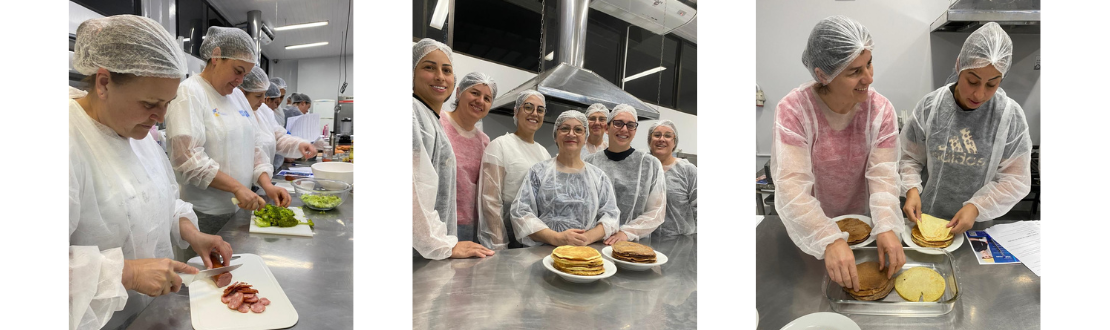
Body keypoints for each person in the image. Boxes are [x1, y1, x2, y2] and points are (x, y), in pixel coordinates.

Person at [68, 15, 233, 330]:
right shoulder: (66, 140)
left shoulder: (137, 134)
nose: (160, 117)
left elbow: (164, 201)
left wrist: (192, 233)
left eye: (168, 103)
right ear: (103, 83)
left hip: (146, 315)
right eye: (149, 103)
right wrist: (125, 273)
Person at [770, 16, 905, 291]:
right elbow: (791, 186)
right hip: (813, 233)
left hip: (868, 229)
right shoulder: (794, 111)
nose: (869, 77)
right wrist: (828, 238)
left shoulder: (880, 110)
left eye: (869, 63)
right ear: (823, 75)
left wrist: (887, 224)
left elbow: (883, 175)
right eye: (854, 72)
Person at [900, 22, 1032, 235]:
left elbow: (1015, 180)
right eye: (972, 81)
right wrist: (911, 189)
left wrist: (976, 207)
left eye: (991, 85)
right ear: (959, 66)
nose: (979, 94)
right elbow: (909, 158)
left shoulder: (1009, 116)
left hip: (974, 227)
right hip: (924, 217)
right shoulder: (930, 107)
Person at [164, 26, 279, 234]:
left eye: (245, 74)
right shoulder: (189, 93)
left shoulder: (237, 97)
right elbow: (187, 160)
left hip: (239, 209)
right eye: (238, 71)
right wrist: (236, 187)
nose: (240, 80)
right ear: (216, 57)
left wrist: (266, 184)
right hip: (205, 213)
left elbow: (255, 145)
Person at [412, 38, 495, 260]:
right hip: (423, 241)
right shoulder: (414, 115)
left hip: (442, 233)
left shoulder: (429, 118)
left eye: (446, 70)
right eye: (429, 67)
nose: (440, 76)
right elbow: (411, 190)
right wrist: (441, 244)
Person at [511, 110, 620, 246]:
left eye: (578, 130)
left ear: (585, 137)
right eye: (565, 128)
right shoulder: (538, 172)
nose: (571, 134)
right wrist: (556, 238)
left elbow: (611, 216)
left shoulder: (598, 177)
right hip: (543, 252)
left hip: (586, 253)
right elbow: (520, 213)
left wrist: (587, 238)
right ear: (556, 136)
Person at [476, 90, 553, 250]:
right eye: (528, 107)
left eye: (540, 110)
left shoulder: (544, 153)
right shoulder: (500, 145)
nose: (534, 113)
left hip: (535, 236)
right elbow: (490, 201)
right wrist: (498, 243)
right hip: (506, 233)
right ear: (516, 111)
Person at [583, 104, 666, 245]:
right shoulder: (590, 162)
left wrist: (627, 232)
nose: (624, 129)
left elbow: (656, 212)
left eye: (631, 125)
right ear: (607, 128)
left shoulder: (649, 164)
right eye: (618, 123)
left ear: (635, 130)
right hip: (593, 241)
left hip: (633, 244)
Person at [442, 72, 497, 243]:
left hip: (469, 225)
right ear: (458, 92)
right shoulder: (438, 122)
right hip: (436, 221)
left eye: (487, 98)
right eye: (475, 93)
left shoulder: (484, 141)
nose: (480, 101)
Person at [239, 67, 316, 178]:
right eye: (258, 96)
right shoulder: (234, 112)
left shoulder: (264, 111)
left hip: (262, 178)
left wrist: (299, 144)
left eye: (264, 95)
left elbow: (278, 137)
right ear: (242, 92)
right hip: (240, 181)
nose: (262, 100)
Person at [646, 120, 697, 237]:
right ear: (650, 141)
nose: (661, 139)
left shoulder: (688, 170)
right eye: (657, 135)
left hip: (679, 243)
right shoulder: (642, 168)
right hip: (643, 240)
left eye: (668, 136)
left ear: (674, 142)